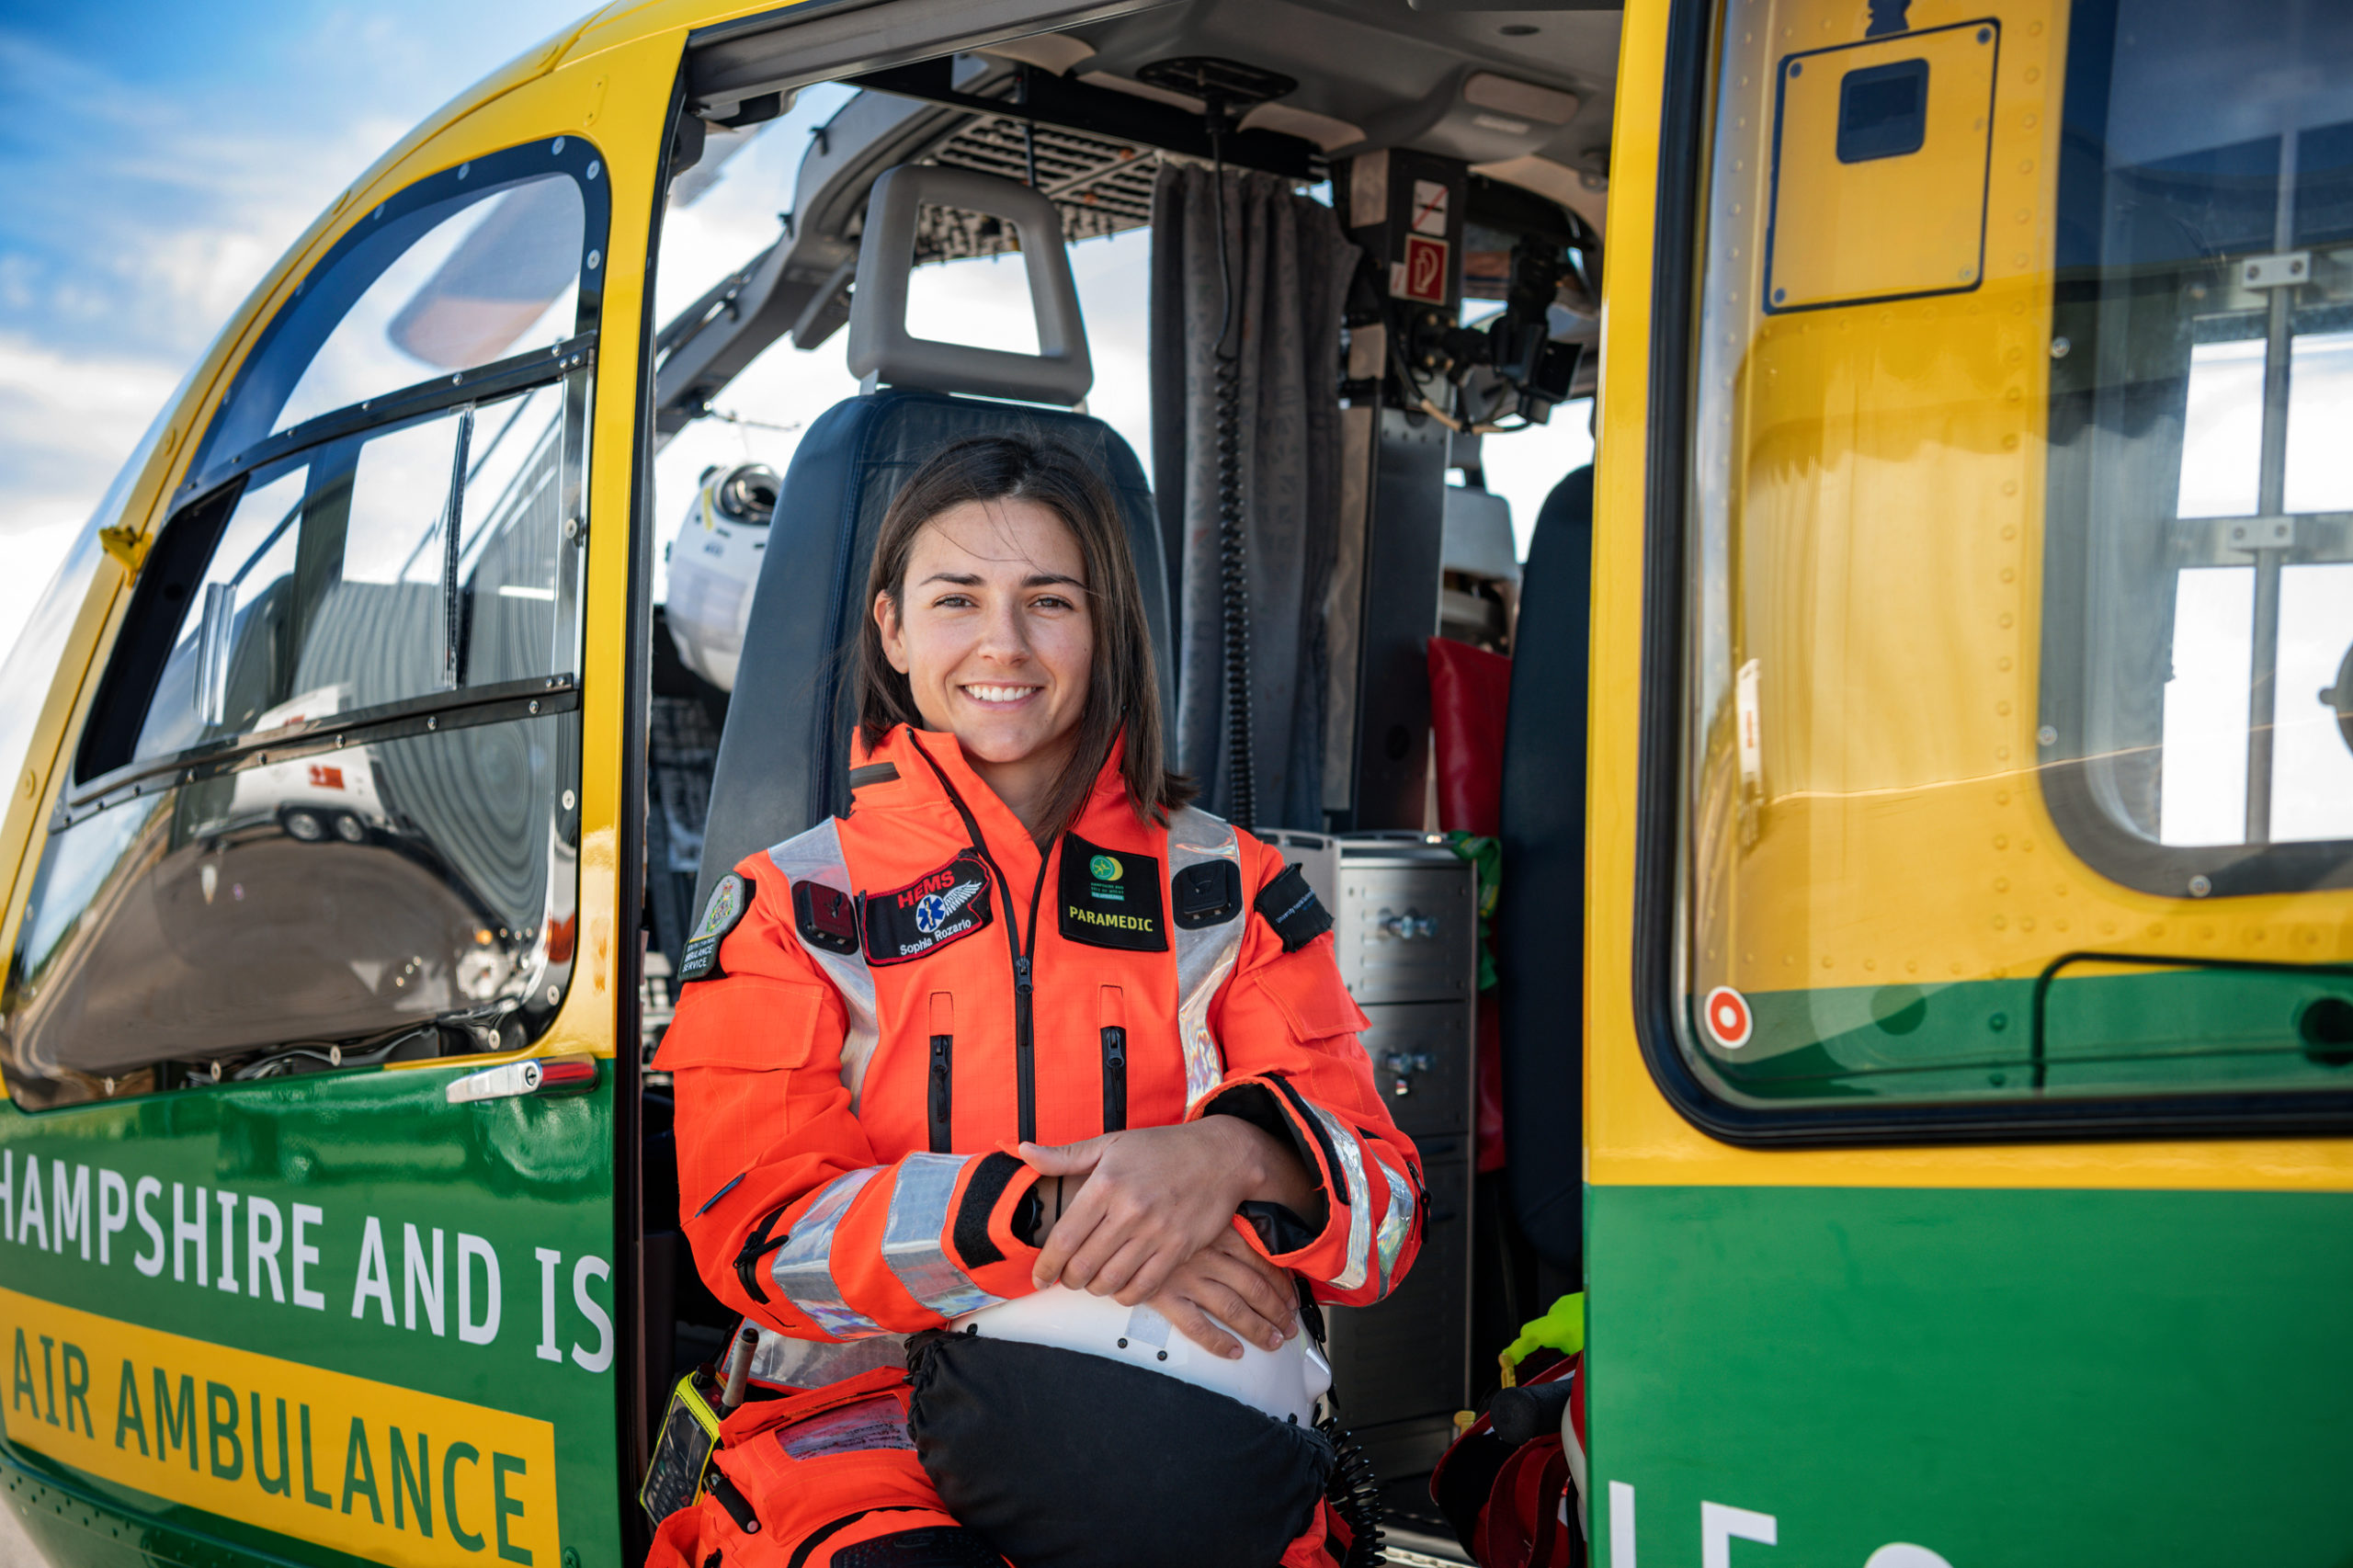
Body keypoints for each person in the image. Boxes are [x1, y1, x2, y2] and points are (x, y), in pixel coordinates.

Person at [648, 435, 1424, 1568]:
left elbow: (1388, 1220)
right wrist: (1062, 1219)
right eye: (956, 598)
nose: (1001, 643)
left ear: (1103, 628)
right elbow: (759, 1235)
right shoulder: (792, 904)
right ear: (893, 631)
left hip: (1177, 1446)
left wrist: (1240, 1157)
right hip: (859, 1449)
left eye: (1047, 600)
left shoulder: (1233, 890)